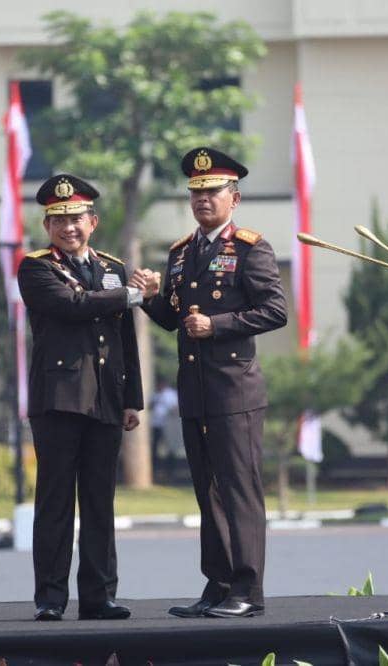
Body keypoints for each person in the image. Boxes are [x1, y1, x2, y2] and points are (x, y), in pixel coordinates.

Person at [134, 147, 287, 619]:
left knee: (239, 490)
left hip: (234, 389)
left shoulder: (250, 247)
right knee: (207, 491)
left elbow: (275, 311)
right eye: (196, 192)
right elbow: (173, 320)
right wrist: (150, 299)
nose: (203, 199)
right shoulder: (183, 252)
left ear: (233, 198)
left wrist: (217, 325)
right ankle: (217, 586)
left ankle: (248, 590)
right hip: (195, 390)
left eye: (212, 191)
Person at [17, 173, 154, 622]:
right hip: (59, 398)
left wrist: (132, 397)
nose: (68, 227)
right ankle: (51, 598)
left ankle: (99, 596)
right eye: (58, 220)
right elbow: (72, 306)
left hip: (107, 400)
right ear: (47, 227)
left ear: (93, 221)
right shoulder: (36, 267)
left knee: (99, 501)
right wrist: (130, 294)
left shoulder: (112, 267)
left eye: (75, 218)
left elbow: (125, 336)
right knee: (55, 501)